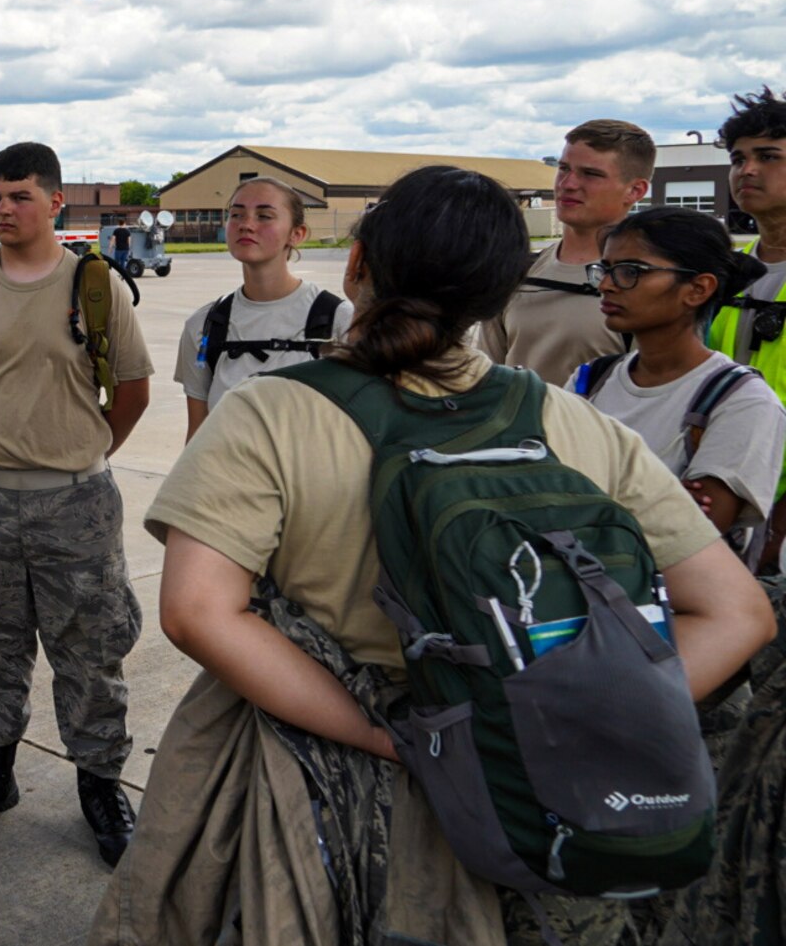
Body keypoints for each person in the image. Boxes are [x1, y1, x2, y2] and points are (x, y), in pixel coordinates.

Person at [90, 165, 774, 946]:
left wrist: (384, 735)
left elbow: (196, 612)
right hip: (529, 794)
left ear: (358, 268)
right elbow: (738, 611)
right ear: (497, 295)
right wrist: (556, 718)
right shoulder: (571, 420)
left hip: (314, 787)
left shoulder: (270, 411)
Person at [0, 142, 153, 866]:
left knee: (91, 647)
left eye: (18, 196)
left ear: (54, 202)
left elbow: (134, 394)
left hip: (75, 502)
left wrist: (75, 453)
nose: (3, 209)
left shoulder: (95, 285)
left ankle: (101, 783)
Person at [577, 207, 784, 566]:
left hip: (675, 612)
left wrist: (579, 494)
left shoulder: (742, 401)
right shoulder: (591, 379)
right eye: (605, 269)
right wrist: (661, 496)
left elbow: (686, 537)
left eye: (631, 272)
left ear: (699, 289)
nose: (607, 284)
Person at [173, 175, 353, 441]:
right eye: (236, 214)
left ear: (297, 234)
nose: (246, 225)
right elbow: (198, 437)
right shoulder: (205, 325)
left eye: (264, 216)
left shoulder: (340, 320)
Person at [479, 118, 655, 384]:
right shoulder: (518, 272)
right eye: (563, 169)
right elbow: (485, 378)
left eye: (591, 174)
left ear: (635, 190)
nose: (568, 184)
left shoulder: (652, 284)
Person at [708, 87, 786, 564]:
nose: (747, 170)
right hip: (723, 503)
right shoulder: (721, 274)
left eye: (768, 156)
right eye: (738, 159)